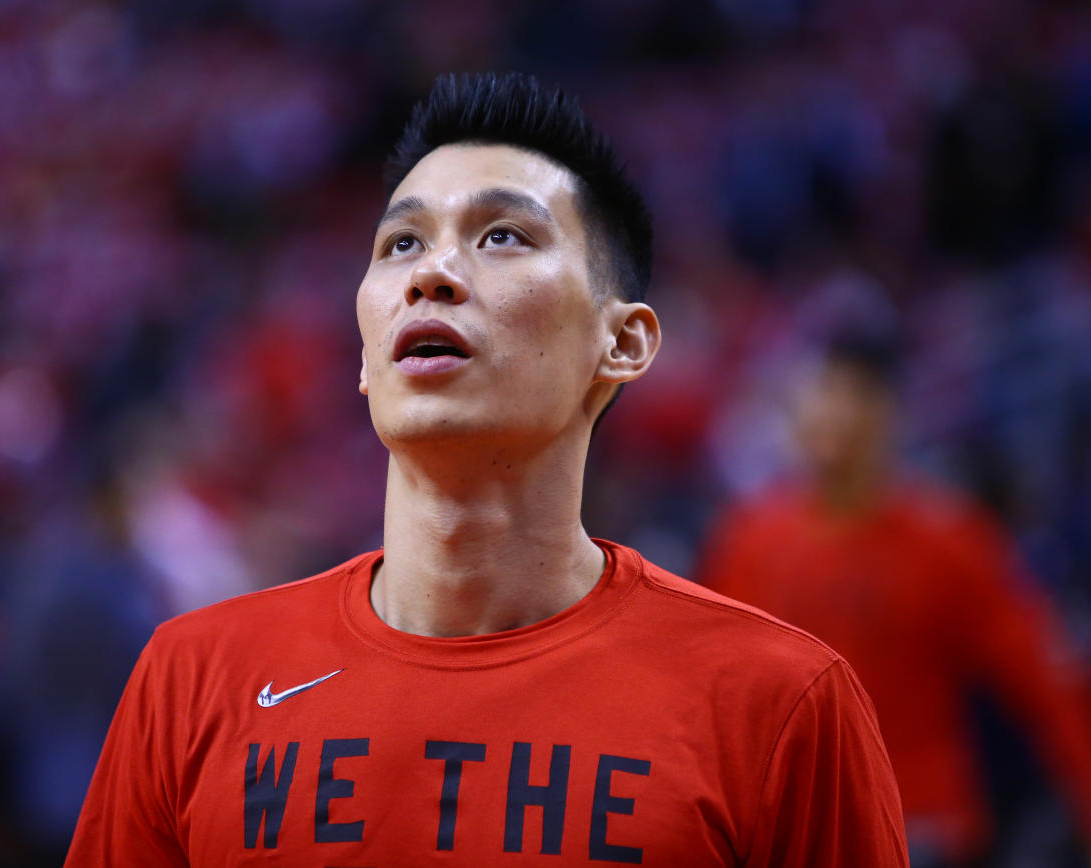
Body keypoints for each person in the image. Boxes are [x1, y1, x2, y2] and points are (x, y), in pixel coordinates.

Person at [66, 72, 907, 866]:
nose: (431, 272)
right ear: (365, 354)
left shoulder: (782, 705)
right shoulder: (191, 679)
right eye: (401, 242)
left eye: (502, 235)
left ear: (623, 342)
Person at [700, 333, 1091, 868]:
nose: (831, 412)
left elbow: (1042, 681)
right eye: (820, 393)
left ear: (890, 413)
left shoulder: (950, 542)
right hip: (790, 823)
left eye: (851, 394)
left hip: (917, 821)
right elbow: (711, 692)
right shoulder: (749, 540)